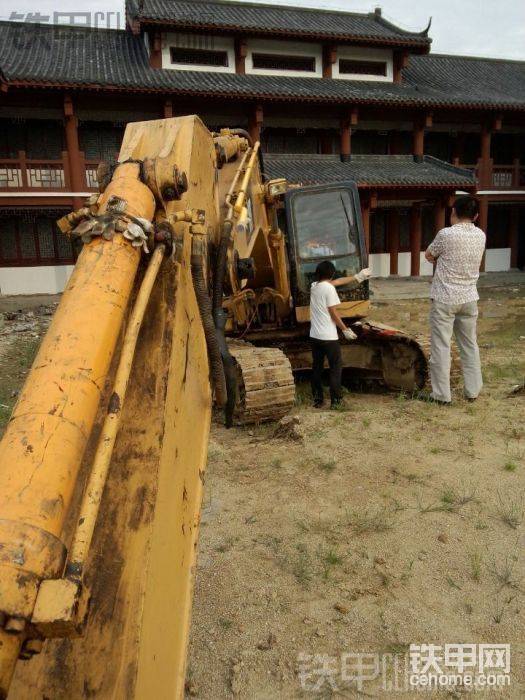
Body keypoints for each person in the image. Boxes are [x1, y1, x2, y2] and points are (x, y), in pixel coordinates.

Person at [424, 195, 486, 405]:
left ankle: (441, 395)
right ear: (476, 216)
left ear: (453, 213)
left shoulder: (446, 234)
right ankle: (473, 390)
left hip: (445, 298)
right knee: (469, 344)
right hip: (469, 297)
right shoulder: (481, 236)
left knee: (441, 346)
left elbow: (429, 254)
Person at [310, 261, 371, 408]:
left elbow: (335, 282)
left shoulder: (314, 286)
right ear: (331, 273)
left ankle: (318, 401)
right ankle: (336, 402)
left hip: (315, 336)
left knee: (317, 368)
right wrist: (345, 329)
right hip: (329, 338)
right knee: (335, 369)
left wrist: (357, 277)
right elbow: (333, 313)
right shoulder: (329, 290)